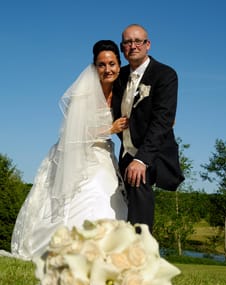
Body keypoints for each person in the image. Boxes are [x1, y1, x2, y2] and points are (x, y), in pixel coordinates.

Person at [10, 40, 128, 260]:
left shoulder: (122, 92)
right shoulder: (83, 94)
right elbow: (74, 132)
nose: (107, 69)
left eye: (112, 63)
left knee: (110, 198)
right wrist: (109, 129)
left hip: (105, 154)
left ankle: (107, 254)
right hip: (79, 155)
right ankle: (73, 250)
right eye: (101, 65)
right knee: (92, 192)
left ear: (119, 65)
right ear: (94, 67)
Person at [112, 24, 184, 232]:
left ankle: (141, 253)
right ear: (122, 47)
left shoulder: (165, 74)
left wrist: (142, 160)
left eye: (138, 41)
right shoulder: (119, 76)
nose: (133, 46)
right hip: (126, 150)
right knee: (122, 203)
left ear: (148, 44)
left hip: (152, 151)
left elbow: (163, 119)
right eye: (127, 42)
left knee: (138, 191)